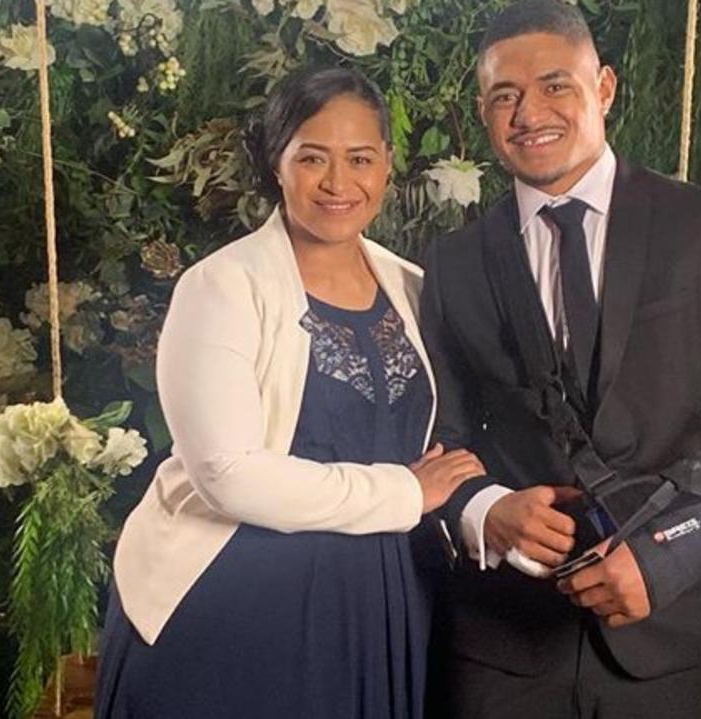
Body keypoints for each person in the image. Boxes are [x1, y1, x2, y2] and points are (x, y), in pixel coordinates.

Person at [419, 2, 701, 717]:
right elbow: (445, 435)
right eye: (505, 96)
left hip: (674, 635)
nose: (530, 112)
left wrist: (668, 556)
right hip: (503, 643)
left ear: (606, 88)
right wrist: (487, 509)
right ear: (482, 112)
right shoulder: (454, 262)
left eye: (555, 84)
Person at [96, 66, 484, 719]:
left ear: (387, 166)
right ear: (277, 164)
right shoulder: (219, 288)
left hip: (388, 603)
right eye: (312, 158)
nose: (338, 182)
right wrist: (407, 492)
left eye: (360, 158)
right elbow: (229, 475)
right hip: (242, 608)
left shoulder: (416, 288)